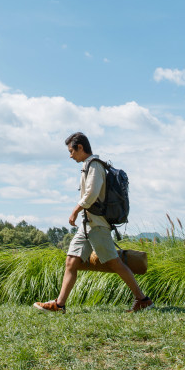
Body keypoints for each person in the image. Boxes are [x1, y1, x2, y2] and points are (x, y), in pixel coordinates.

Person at [34, 132, 153, 314]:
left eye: (71, 151)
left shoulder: (94, 165)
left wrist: (75, 210)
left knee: (115, 263)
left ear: (80, 147)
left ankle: (142, 299)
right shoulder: (88, 166)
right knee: (71, 262)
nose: (70, 155)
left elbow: (92, 193)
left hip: (97, 225)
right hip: (87, 225)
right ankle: (59, 305)